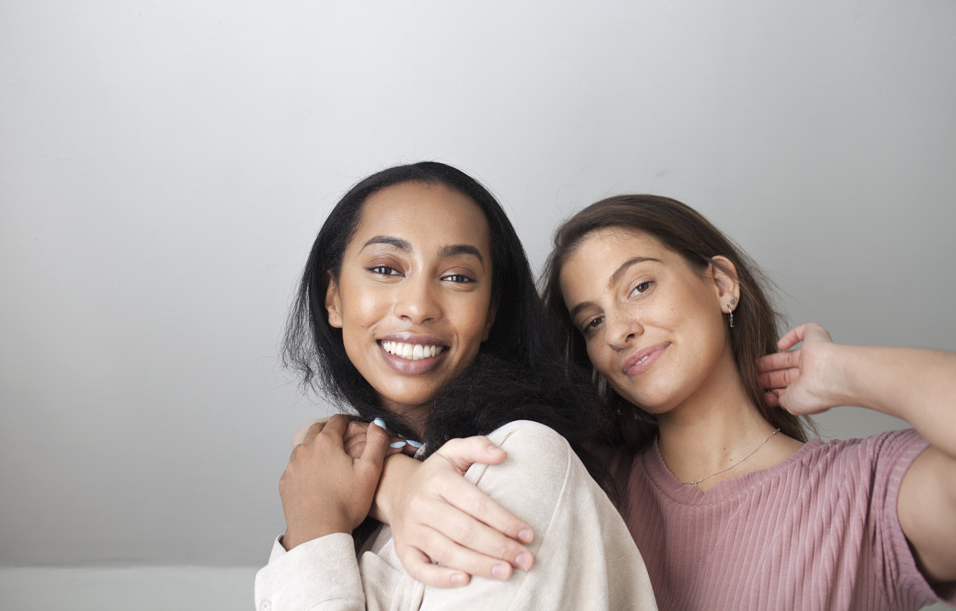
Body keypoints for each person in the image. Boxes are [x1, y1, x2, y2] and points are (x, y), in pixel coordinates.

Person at [375, 193, 956, 610]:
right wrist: (397, 484)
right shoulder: (581, 480)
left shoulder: (866, 493)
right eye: (593, 322)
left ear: (721, 284)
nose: (619, 331)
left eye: (641, 286)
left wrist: (844, 372)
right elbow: (334, 457)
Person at [255, 164, 657, 610]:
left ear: (489, 313)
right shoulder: (345, 481)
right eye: (386, 268)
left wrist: (314, 528)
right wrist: (385, 482)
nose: (418, 307)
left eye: (457, 277)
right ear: (333, 298)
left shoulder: (520, 461)